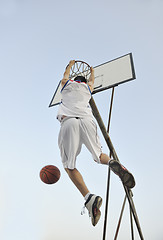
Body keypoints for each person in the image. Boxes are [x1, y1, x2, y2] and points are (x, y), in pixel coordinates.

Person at [57, 60, 135, 226]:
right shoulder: (87, 88)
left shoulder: (66, 85)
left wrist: (69, 66)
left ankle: (89, 198)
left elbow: (64, 76)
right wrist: (92, 71)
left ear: (72, 79)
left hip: (69, 121)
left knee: (69, 166)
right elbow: (91, 81)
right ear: (84, 82)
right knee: (99, 155)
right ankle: (113, 163)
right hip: (87, 120)